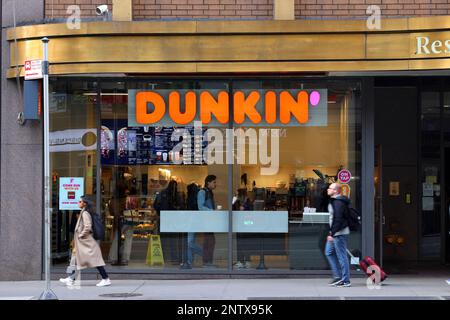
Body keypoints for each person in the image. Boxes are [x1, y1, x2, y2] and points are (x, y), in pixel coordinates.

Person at [60, 195, 111, 287]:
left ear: (84, 203)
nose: (78, 203)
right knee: (76, 259)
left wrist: (80, 235)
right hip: (84, 241)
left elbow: (88, 226)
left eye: (80, 202)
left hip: (86, 241)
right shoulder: (84, 212)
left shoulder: (85, 213)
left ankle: (105, 278)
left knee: (95, 261)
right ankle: (71, 278)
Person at [325, 183, 351, 287]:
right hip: (336, 232)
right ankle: (338, 276)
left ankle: (345, 280)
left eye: (330, 188)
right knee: (329, 252)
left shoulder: (338, 202)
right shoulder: (336, 201)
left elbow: (338, 219)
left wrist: (332, 233)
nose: (327, 190)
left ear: (335, 191)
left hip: (339, 233)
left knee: (342, 256)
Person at [198, 175, 217, 267]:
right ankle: (206, 262)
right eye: (214, 182)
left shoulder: (209, 192)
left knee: (210, 241)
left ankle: (208, 262)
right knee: (208, 241)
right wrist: (212, 211)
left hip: (209, 220)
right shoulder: (202, 192)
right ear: (208, 182)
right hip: (205, 221)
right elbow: (200, 207)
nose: (215, 184)